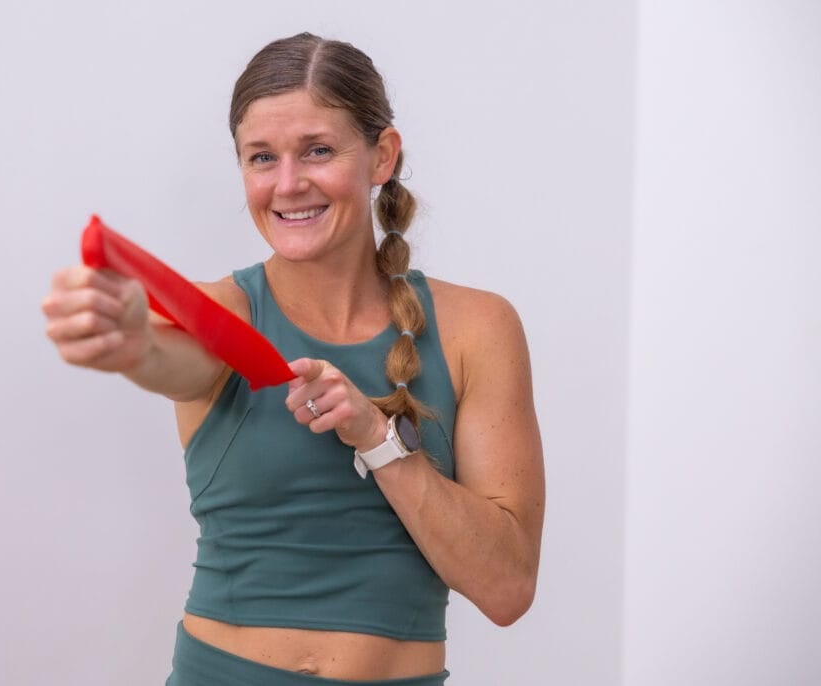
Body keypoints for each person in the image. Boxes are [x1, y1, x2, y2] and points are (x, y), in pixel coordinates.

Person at [42, 32, 545, 686]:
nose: (287, 184)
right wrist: (130, 342)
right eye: (261, 158)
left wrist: (377, 439)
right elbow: (174, 359)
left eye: (318, 150)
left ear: (382, 155)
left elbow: (506, 587)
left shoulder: (477, 329)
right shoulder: (222, 311)